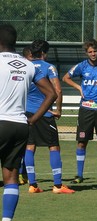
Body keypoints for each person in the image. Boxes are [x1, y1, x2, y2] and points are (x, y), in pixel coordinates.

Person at [0, 24, 57, 221]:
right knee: (11, 177)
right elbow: (51, 94)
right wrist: (33, 119)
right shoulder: (28, 65)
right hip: (19, 125)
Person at [24, 40, 75, 194]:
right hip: (45, 113)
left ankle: (32, 185)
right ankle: (58, 186)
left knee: (30, 146)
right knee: (53, 146)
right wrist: (58, 110)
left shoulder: (26, 67)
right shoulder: (48, 67)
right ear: (44, 53)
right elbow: (57, 91)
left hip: (28, 113)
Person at [62, 39, 97, 184]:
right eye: (90, 52)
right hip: (86, 109)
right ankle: (79, 175)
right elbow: (66, 78)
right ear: (86, 53)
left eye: (95, 51)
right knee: (82, 142)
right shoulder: (82, 66)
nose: (93, 54)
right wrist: (79, 88)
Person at [18, 46, 33, 186]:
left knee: (24, 147)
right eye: (31, 57)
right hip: (23, 113)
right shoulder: (27, 69)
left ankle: (23, 174)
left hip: (24, 114)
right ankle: (19, 174)